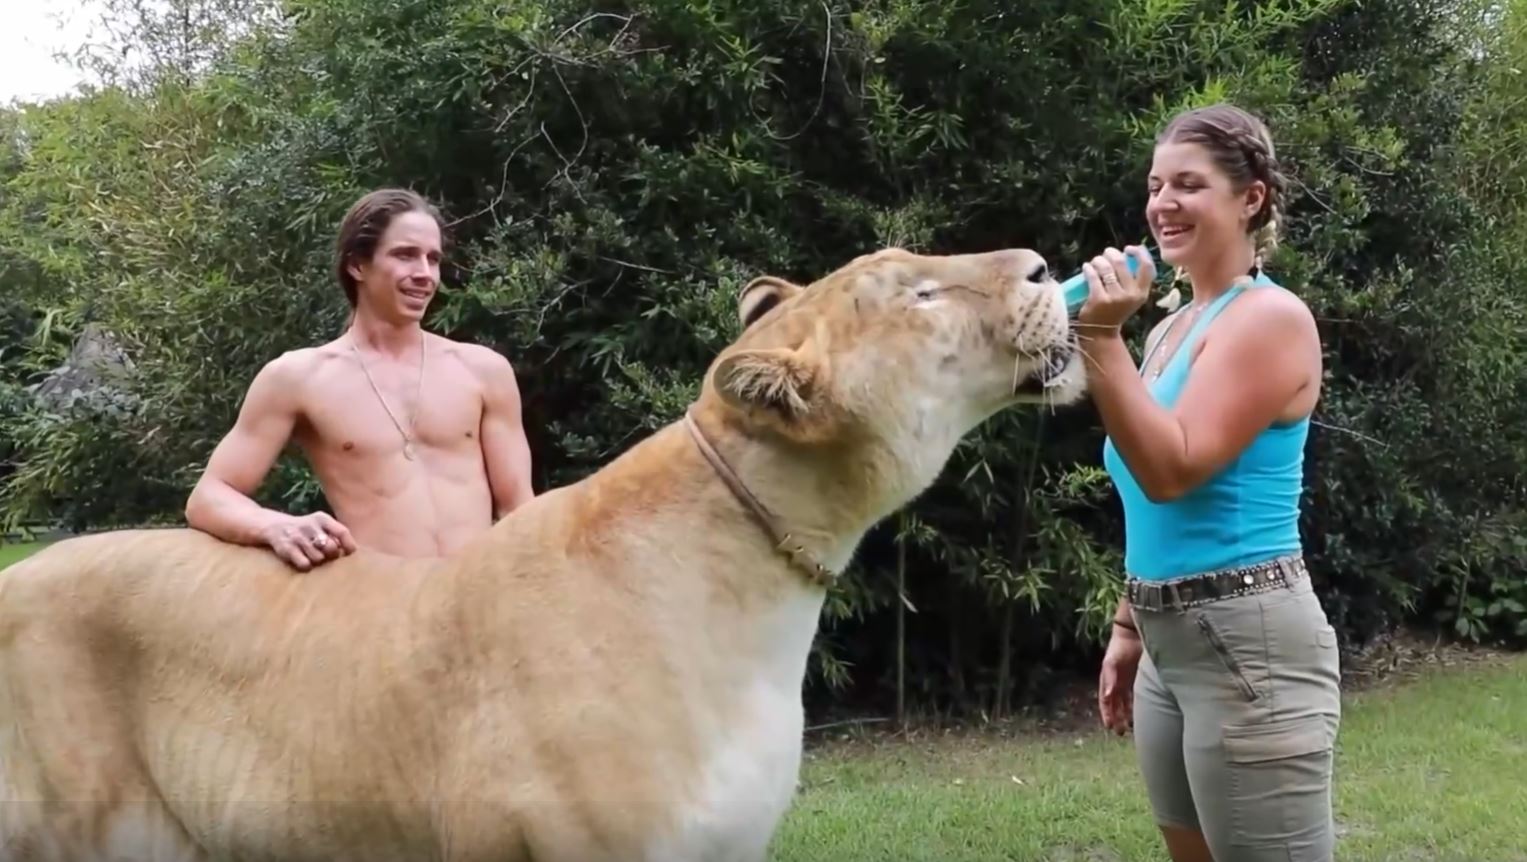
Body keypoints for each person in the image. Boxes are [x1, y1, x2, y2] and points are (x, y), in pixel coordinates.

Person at [1076, 103, 1342, 862]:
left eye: (1187, 184)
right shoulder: (1167, 330)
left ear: (1249, 198)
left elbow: (1172, 468)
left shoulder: (1270, 319)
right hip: (1169, 645)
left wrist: (1096, 336)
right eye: (1156, 184)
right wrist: (1130, 628)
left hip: (1249, 646)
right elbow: (1150, 498)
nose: (1161, 203)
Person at [185, 188, 536, 571]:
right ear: (357, 265)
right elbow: (209, 496)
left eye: (433, 259)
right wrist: (276, 525)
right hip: (376, 607)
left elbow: (519, 507)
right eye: (405, 255)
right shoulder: (298, 378)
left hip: (474, 598)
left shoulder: (483, 370)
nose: (424, 274)